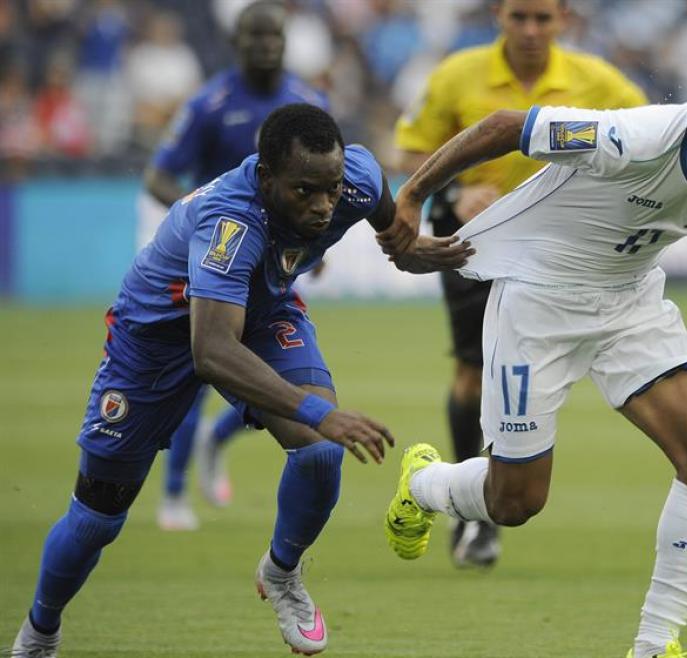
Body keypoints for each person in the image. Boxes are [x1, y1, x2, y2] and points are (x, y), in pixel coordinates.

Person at [11, 103, 470, 657]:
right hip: (156, 341)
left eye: (331, 188)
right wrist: (319, 409)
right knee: (98, 515)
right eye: (305, 192)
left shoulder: (357, 178)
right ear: (265, 177)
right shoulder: (231, 220)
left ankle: (281, 572)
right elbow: (211, 352)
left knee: (320, 452)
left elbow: (386, 220)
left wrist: (411, 250)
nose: (324, 206)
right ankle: (39, 632)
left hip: (262, 313)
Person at [382, 49, 687, 658]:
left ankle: (655, 644)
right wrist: (410, 198)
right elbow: (503, 127)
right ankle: (426, 481)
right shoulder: (635, 137)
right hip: (538, 302)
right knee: (514, 502)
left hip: (629, 304)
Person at [393, 0, 648, 568]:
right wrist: (456, 192)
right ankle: (474, 519)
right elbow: (410, 148)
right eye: (519, 17)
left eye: (542, 19)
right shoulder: (457, 75)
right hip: (471, 234)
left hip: (557, 248)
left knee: (520, 374)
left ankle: (485, 499)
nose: (531, 30)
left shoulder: (595, 80)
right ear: (499, 19)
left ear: (563, 21)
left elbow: (646, 141)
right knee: (473, 368)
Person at [141, 0, 330, 530]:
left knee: (275, 371)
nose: (266, 46)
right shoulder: (210, 102)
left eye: (275, 37)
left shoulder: (307, 101)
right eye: (256, 37)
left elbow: (323, 181)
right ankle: (175, 494)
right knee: (202, 369)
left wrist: (317, 246)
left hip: (272, 263)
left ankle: (218, 437)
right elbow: (158, 176)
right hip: (214, 260)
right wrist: (195, 224)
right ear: (237, 42)